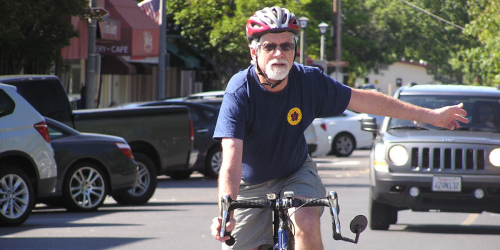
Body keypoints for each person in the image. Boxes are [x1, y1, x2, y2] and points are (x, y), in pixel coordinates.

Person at [210, 6, 468, 250]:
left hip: (295, 172)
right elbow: (232, 157)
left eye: (286, 46)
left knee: (307, 222)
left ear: (295, 50)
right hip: (250, 181)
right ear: (254, 52)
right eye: (270, 46)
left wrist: (431, 116)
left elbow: (366, 100)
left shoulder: (310, 82)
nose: (279, 53)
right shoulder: (239, 90)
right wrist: (227, 212)